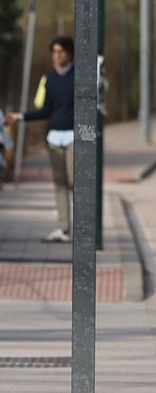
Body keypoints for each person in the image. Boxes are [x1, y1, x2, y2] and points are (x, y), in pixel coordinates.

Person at [5, 36, 76, 242]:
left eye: (61, 51)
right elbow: (46, 110)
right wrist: (21, 117)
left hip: (74, 137)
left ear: (69, 54)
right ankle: (63, 228)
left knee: (76, 183)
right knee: (60, 183)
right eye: (54, 51)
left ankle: (82, 227)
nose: (57, 55)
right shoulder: (50, 78)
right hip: (55, 137)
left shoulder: (79, 77)